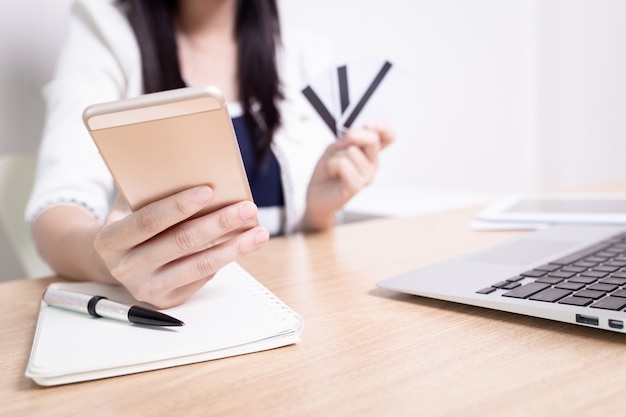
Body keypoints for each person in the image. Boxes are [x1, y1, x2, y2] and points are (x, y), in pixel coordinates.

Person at [26, 0, 394, 308]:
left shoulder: (304, 53)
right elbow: (57, 209)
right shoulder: (106, 31)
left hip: (292, 305)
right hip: (175, 317)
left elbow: (306, 247)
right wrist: (110, 260)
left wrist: (317, 212)